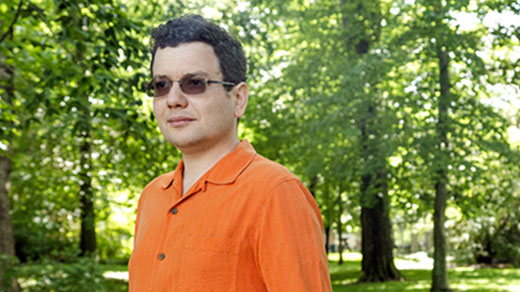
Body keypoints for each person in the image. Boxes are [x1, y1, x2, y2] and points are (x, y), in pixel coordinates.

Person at [128, 14, 332, 292]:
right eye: (162, 85)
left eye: (194, 83)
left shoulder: (275, 192)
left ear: (238, 99)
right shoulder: (152, 196)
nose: (173, 100)